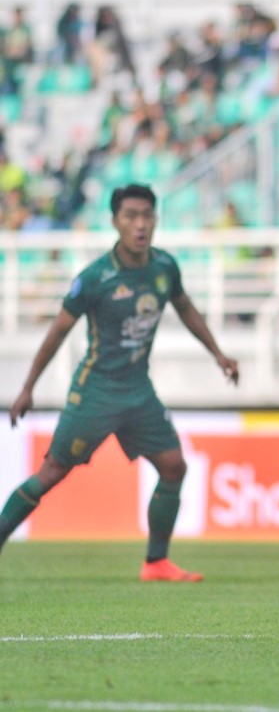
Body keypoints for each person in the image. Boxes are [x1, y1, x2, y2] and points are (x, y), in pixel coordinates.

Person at [1, 183, 239, 580]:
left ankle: (156, 562)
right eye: (131, 216)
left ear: (156, 220)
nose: (140, 224)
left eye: (147, 215)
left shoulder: (164, 267)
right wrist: (28, 387)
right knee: (52, 473)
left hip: (138, 391)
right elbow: (57, 331)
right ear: (115, 222)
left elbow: (185, 308)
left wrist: (218, 353)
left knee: (174, 465)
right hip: (95, 391)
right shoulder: (96, 278)